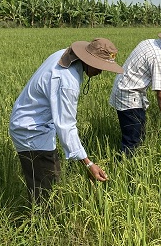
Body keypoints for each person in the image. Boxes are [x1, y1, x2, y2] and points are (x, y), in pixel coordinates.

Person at [9, 38, 124, 202]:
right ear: (89, 59)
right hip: (31, 131)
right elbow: (66, 125)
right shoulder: (67, 81)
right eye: (100, 66)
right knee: (45, 188)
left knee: (50, 177)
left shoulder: (65, 54)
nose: (101, 72)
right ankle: (40, 222)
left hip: (36, 123)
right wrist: (88, 164)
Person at [109, 29, 161, 154]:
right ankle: (123, 166)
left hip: (123, 90)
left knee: (137, 133)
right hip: (129, 96)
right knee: (132, 141)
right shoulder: (159, 58)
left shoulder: (149, 42)